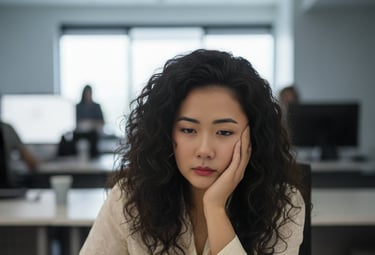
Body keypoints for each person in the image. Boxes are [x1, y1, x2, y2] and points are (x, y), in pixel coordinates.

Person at [80, 49, 306, 255]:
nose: (205, 150)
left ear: (253, 136)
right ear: (167, 133)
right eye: (188, 130)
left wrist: (215, 208)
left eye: (225, 132)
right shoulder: (129, 199)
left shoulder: (280, 204)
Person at [0, 121, 39, 187]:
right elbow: (30, 161)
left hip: (5, 186)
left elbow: (30, 160)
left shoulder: (7, 129)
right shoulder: (6, 128)